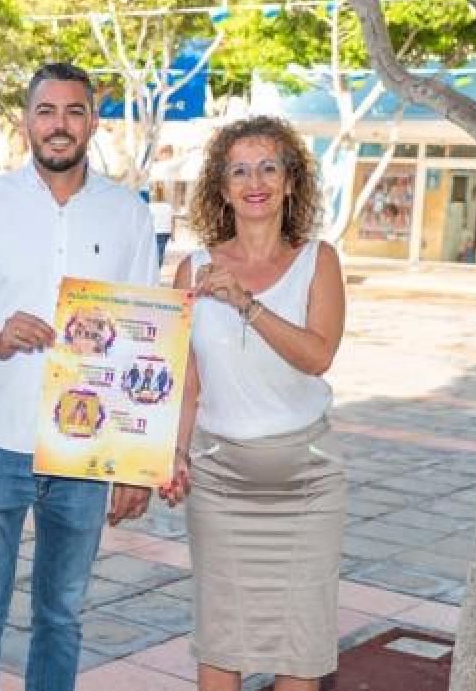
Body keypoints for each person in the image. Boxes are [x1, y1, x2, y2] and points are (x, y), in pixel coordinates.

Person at [0, 61, 160, 691]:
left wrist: (137, 467)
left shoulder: (128, 214)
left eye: (74, 111)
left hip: (84, 455)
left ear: (94, 121)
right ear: (25, 120)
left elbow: (146, 344)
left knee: (62, 615)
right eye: (46, 110)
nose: (59, 124)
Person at [160, 115, 346, 691]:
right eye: (238, 170)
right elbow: (186, 377)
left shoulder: (320, 260)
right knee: (222, 639)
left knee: (301, 648)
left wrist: (248, 304)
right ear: (222, 188)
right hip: (219, 485)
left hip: (308, 484)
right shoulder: (192, 270)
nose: (254, 180)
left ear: (290, 181)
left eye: (268, 166)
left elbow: (317, 356)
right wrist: (173, 451)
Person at [149, 182, 175, 267]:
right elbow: (171, 221)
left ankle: (154, 269)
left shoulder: (150, 206)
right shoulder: (168, 206)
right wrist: (173, 234)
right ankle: (157, 269)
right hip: (165, 231)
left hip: (154, 231)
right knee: (161, 251)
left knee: (153, 252)